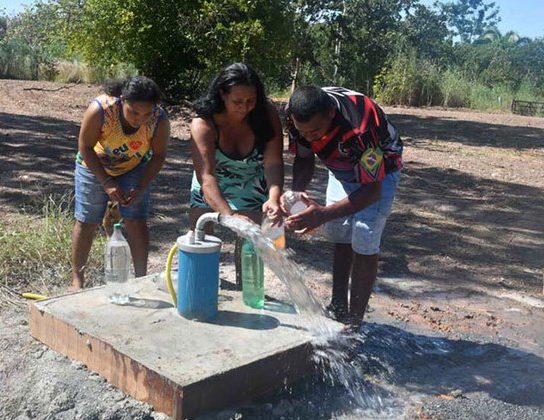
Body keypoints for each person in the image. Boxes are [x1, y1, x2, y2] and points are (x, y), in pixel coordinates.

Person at [283, 85, 403, 330]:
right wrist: (296, 193)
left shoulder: (360, 126)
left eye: (315, 131)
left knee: (364, 236)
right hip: (341, 166)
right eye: (302, 132)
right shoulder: (295, 114)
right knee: (340, 232)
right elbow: (304, 156)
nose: (309, 138)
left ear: (330, 114)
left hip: (382, 168)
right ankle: (338, 305)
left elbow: (372, 191)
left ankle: (354, 325)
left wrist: (322, 214)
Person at [188, 63, 284, 285]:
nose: (245, 107)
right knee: (201, 234)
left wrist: (273, 197)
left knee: (250, 240)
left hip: (252, 178)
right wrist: (228, 214)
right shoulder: (203, 123)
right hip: (212, 181)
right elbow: (207, 177)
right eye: (237, 101)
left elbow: (273, 162)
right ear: (222, 94)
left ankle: (246, 288)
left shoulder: (266, 115)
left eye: (251, 101)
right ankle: (203, 286)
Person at [71, 76, 170, 290]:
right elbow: (85, 147)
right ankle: (77, 281)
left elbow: (159, 155)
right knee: (87, 220)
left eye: (146, 114)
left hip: (134, 167)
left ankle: (141, 279)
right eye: (134, 112)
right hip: (94, 165)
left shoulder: (159, 119)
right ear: (122, 100)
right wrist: (106, 181)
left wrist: (141, 186)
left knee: (135, 219)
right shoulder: (100, 110)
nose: (139, 119)